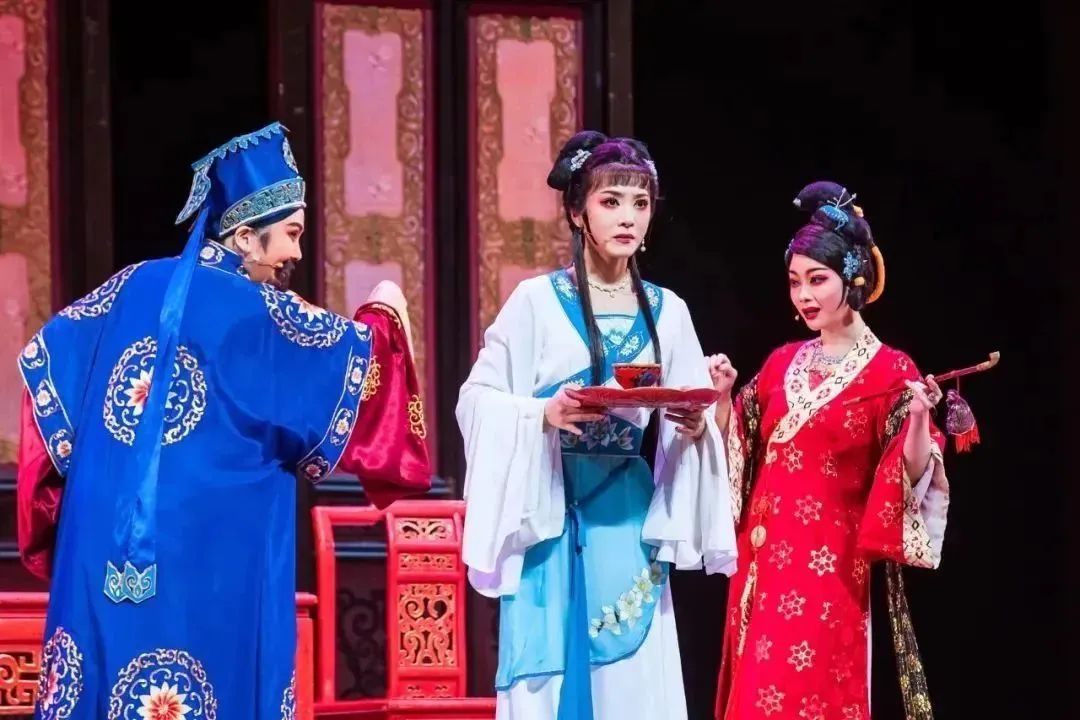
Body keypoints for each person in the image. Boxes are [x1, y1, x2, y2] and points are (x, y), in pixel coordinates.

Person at [17, 122, 430, 720]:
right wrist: (385, 307)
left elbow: (42, 365)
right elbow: (364, 371)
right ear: (243, 236)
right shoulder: (261, 313)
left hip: (105, 546)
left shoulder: (130, 283)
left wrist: (82, 489)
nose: (296, 253)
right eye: (290, 234)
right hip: (209, 555)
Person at [457, 130, 737, 720]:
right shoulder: (534, 302)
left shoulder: (669, 311)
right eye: (611, 201)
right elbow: (476, 399)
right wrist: (543, 413)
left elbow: (695, 427)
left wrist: (696, 422)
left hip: (626, 516)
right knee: (548, 676)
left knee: (629, 681)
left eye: (640, 203)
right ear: (577, 212)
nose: (628, 217)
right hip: (549, 508)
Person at [709, 181, 950, 720]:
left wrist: (918, 417)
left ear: (854, 278)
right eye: (795, 282)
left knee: (813, 696)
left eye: (817, 279)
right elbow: (736, 453)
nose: (804, 295)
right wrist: (723, 398)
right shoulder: (780, 363)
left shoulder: (892, 370)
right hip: (760, 566)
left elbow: (908, 474)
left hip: (831, 568)